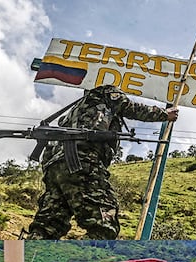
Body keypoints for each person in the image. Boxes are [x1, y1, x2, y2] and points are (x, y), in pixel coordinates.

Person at [26, 85, 179, 240]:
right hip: (82, 163)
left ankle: (27, 258)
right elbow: (129, 107)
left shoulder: (74, 112)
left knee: (47, 226)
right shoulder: (105, 92)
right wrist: (164, 114)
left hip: (55, 167)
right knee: (105, 225)